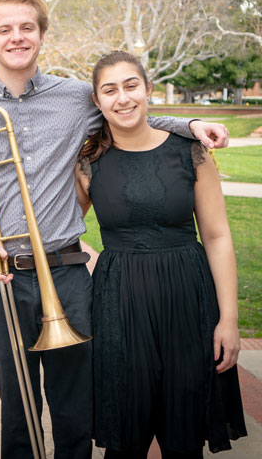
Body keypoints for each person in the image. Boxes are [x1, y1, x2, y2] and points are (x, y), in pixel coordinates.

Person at [0, 0, 230, 459]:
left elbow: (131, 115)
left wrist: (190, 123)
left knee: (76, 411)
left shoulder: (76, 96)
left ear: (41, 34)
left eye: (27, 27)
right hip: (2, 279)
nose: (17, 37)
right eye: (5, 30)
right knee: (18, 411)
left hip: (68, 273)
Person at [74, 50, 247, 458]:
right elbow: (60, 230)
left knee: (184, 437)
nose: (123, 98)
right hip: (118, 301)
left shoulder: (191, 151)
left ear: (149, 89)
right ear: (98, 102)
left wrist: (229, 320)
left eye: (131, 86)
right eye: (110, 90)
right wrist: (97, 258)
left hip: (188, 297)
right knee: (125, 437)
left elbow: (218, 236)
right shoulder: (87, 162)